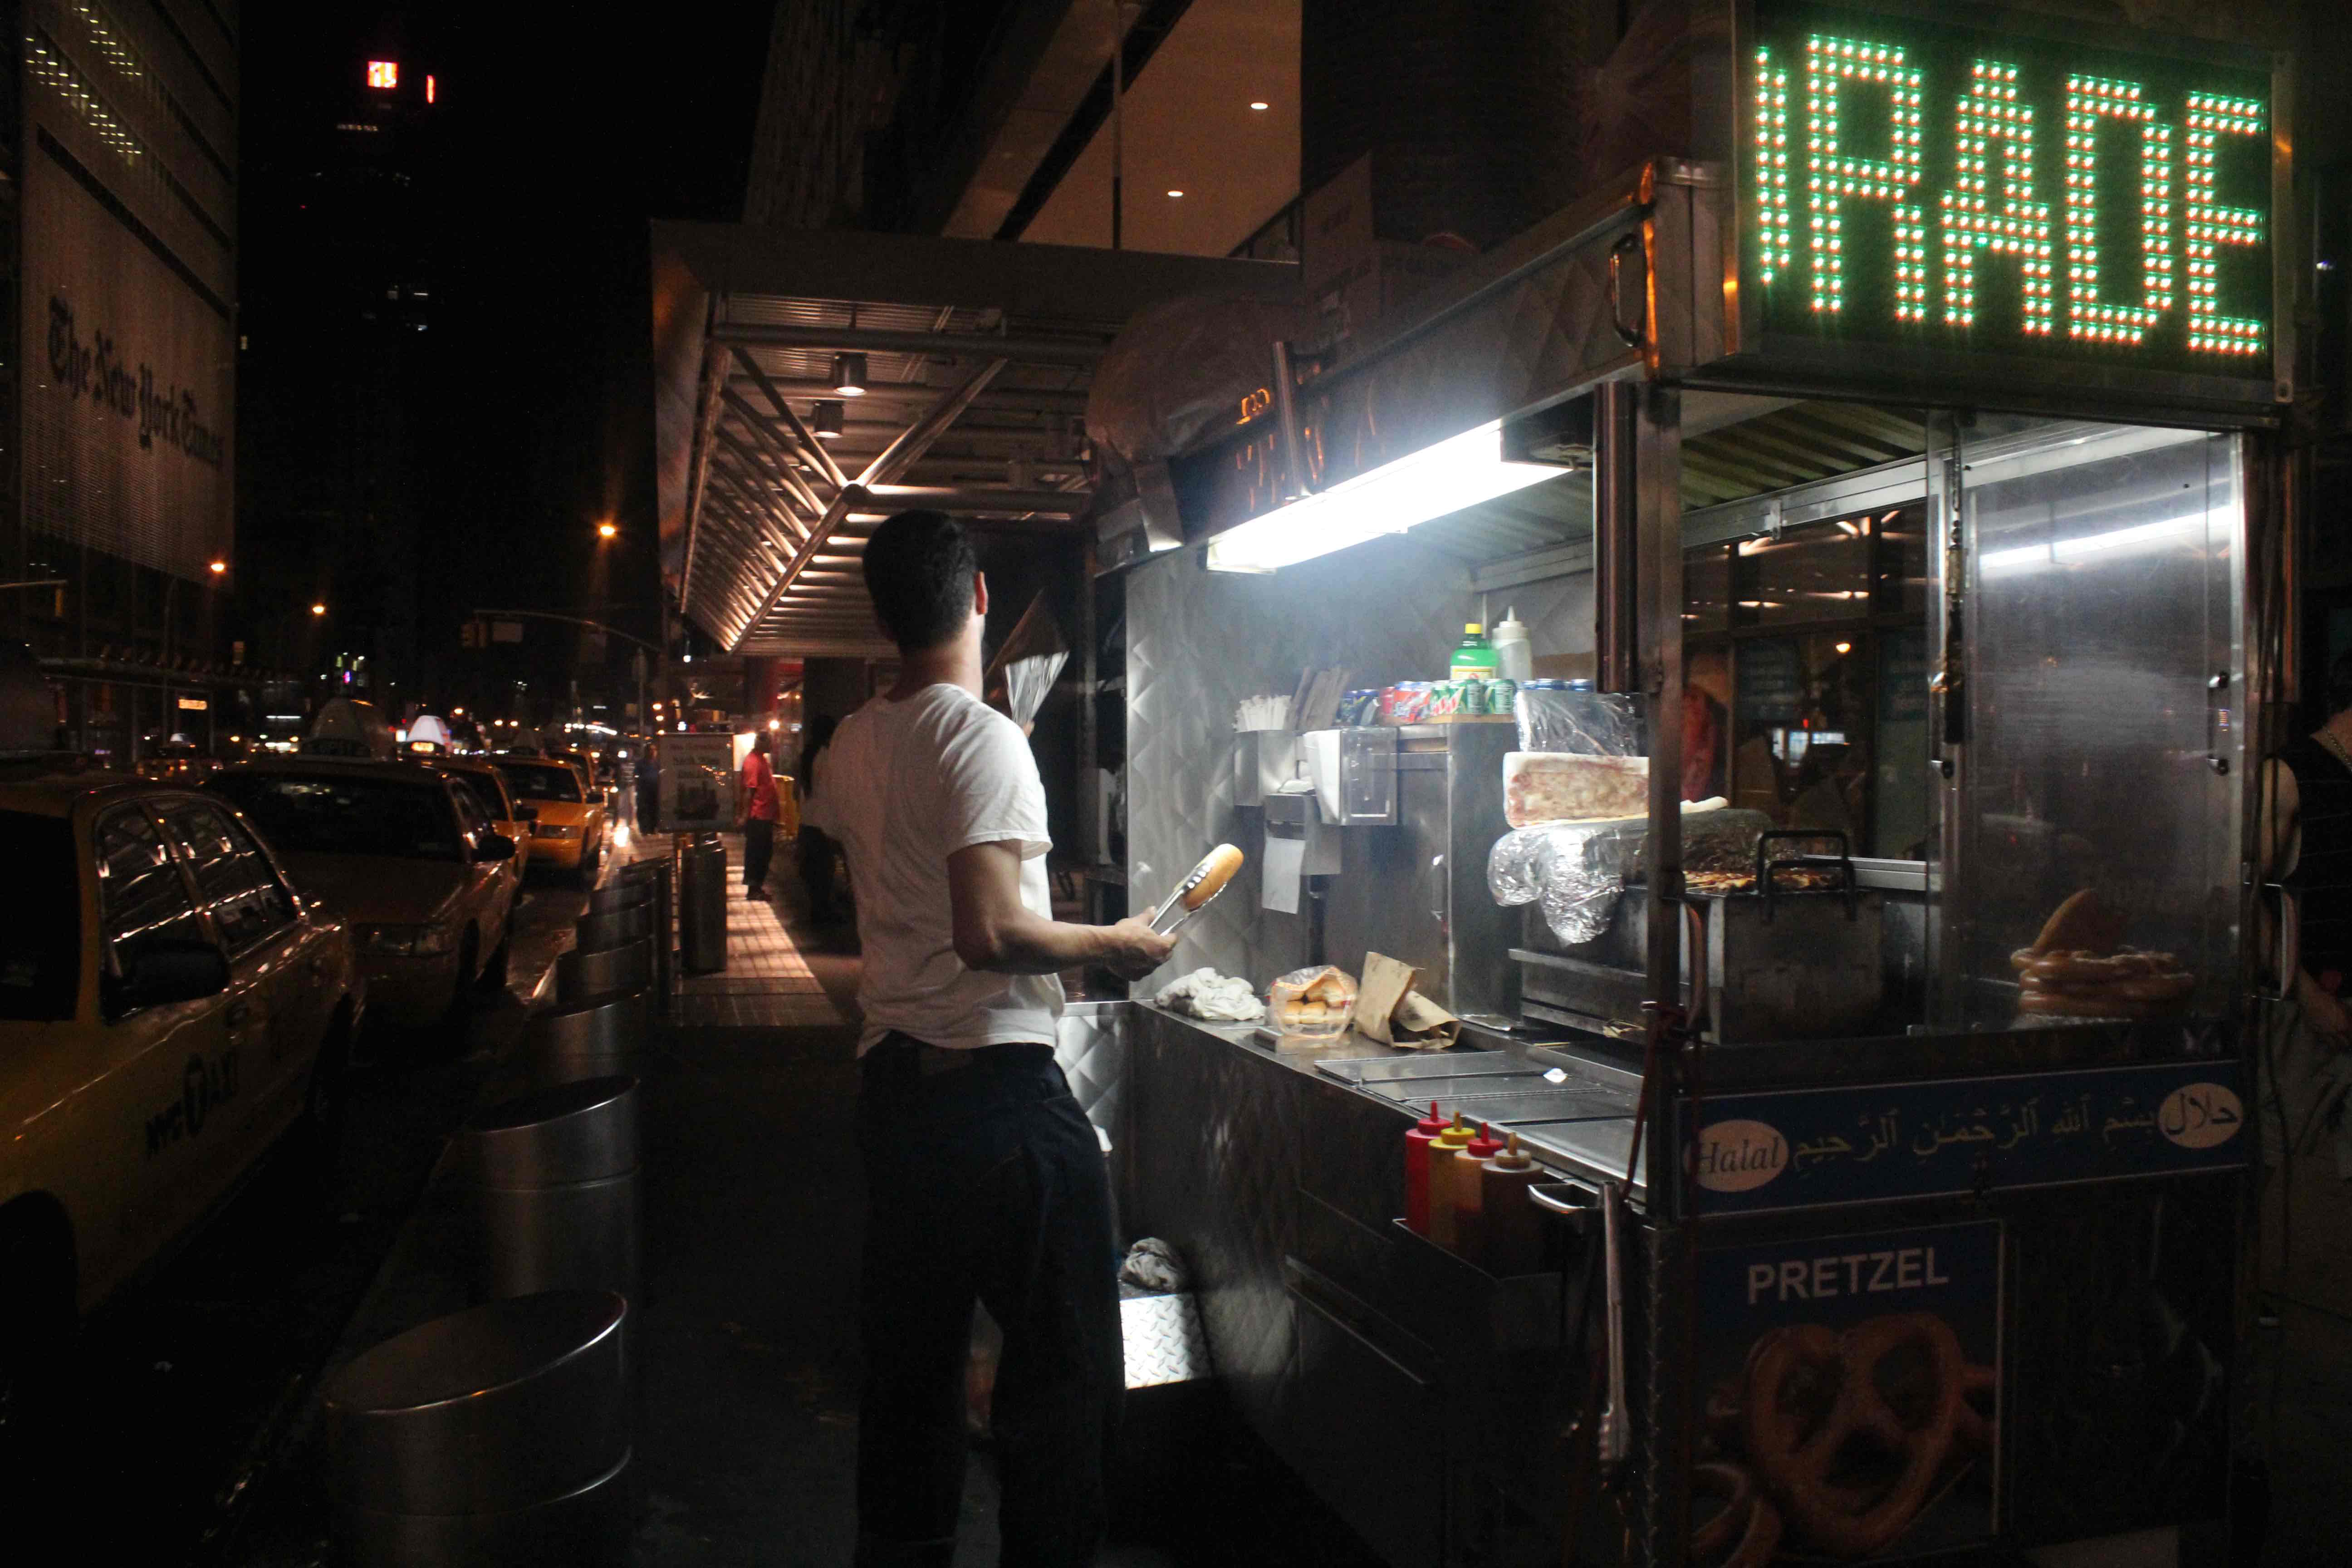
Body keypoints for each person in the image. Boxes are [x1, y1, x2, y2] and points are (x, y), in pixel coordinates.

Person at [802, 510, 1174, 1568]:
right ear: (976, 598)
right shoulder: (982, 736)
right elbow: (989, 933)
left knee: (911, 1369)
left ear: (882, 620)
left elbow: (891, 890)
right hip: (999, 1099)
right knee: (1065, 1374)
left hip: (895, 1095)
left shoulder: (853, 742)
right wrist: (1114, 942)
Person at [796, 715, 843, 924]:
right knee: (824, 871)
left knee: (813, 871)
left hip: (807, 822)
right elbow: (833, 790)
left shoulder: (807, 755)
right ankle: (823, 913)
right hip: (822, 823)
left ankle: (817, 910)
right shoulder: (825, 756)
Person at [739, 731, 781, 897]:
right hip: (758, 816)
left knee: (764, 852)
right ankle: (754, 888)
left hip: (765, 815)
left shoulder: (761, 759)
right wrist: (745, 816)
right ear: (762, 743)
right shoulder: (754, 762)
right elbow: (749, 792)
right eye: (771, 742)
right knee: (757, 853)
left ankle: (756, 887)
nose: (773, 745)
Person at [637, 739, 661, 833]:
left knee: (654, 809)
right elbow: (636, 776)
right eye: (651, 750)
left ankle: (653, 827)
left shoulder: (658, 764)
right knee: (643, 810)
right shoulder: (640, 764)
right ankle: (644, 829)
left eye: (654, 750)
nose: (653, 752)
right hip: (644, 791)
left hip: (655, 791)